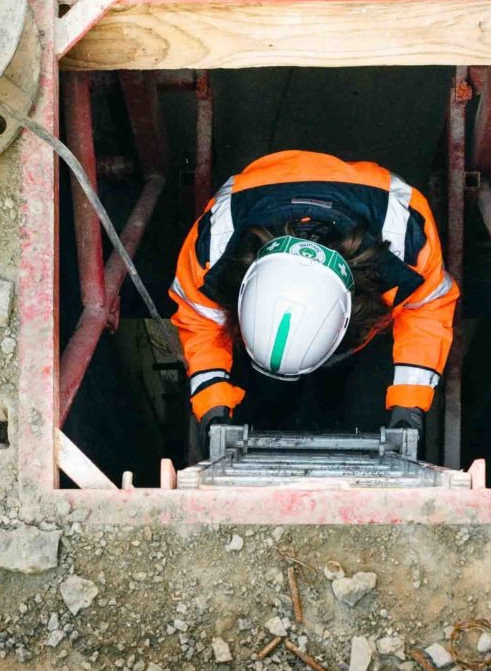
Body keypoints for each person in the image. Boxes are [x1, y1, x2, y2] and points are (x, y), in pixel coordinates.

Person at [169, 150, 459, 454]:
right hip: (260, 193)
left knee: (349, 389)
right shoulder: (212, 251)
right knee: (268, 397)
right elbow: (198, 318)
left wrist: (409, 404)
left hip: (366, 197)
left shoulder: (407, 243)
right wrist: (212, 405)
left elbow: (428, 307)